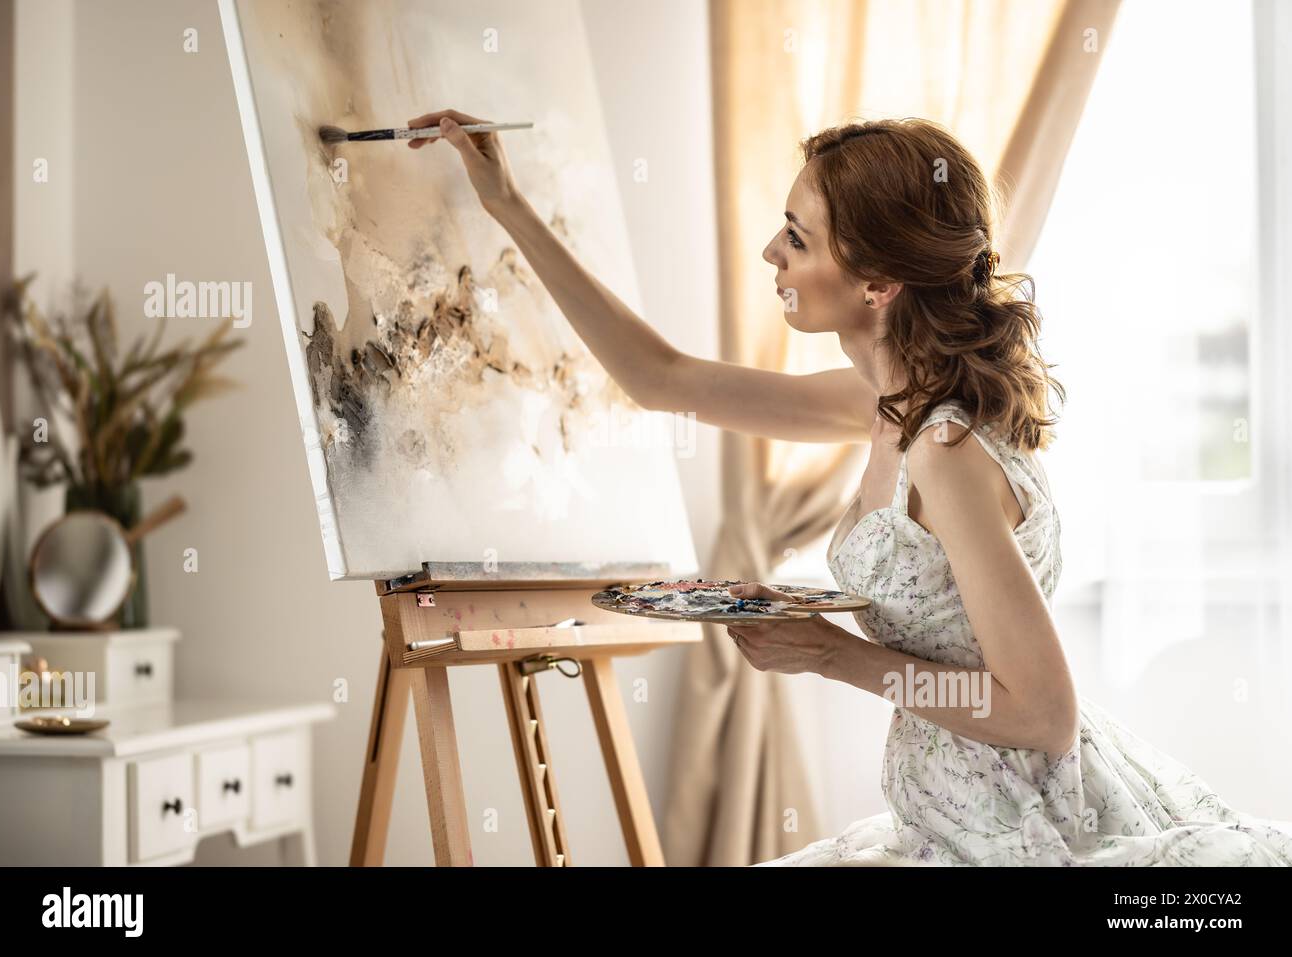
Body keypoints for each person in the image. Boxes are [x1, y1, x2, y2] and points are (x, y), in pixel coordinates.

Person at [412, 108, 1292, 866]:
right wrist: (507, 205)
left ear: (878, 283)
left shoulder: (944, 449)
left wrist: (839, 655)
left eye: (797, 237)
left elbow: (1045, 712)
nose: (772, 251)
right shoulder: (887, 403)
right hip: (942, 817)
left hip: (1009, 832)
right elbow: (662, 378)